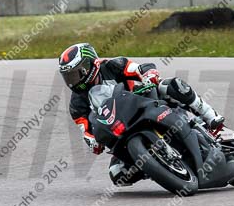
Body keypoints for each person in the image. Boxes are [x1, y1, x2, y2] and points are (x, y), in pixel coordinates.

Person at [59, 43, 224, 187]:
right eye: (68, 77)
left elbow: (140, 68)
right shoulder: (76, 105)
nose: (73, 81)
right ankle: (159, 167)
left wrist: (149, 75)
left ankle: (210, 116)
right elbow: (86, 129)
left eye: (76, 74)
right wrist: (92, 141)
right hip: (120, 130)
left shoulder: (112, 65)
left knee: (169, 85)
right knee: (117, 174)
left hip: (143, 102)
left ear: (90, 64)